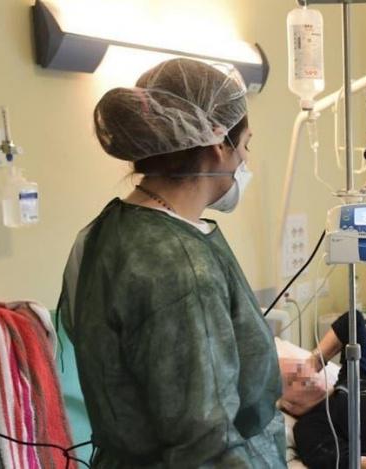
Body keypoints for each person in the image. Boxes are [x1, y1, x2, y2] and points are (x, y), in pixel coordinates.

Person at [58, 58, 286, 468]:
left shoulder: (97, 236)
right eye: (245, 145)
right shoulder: (182, 264)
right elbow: (207, 443)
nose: (244, 161)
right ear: (218, 145)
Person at [279, 311, 366, 469]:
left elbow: (352, 321)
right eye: (293, 379)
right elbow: (345, 460)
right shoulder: (310, 427)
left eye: (299, 367)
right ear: (288, 404)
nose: (302, 374)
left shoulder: (352, 377)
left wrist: (315, 361)